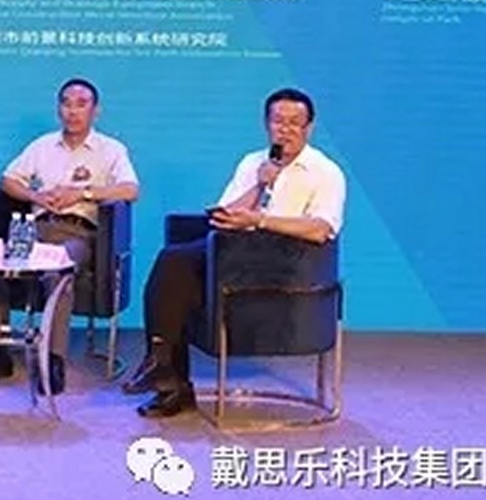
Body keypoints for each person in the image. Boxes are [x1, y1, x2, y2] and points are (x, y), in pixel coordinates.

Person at [124, 87, 345, 418]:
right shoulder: (253, 163)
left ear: (309, 128)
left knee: (176, 263)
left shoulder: (325, 172)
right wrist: (260, 185)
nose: (285, 129)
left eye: (294, 123)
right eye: (278, 121)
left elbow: (321, 229)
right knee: (176, 277)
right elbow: (223, 216)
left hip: (290, 261)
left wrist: (260, 220)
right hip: (236, 253)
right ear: (267, 124)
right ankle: (167, 374)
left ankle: (165, 372)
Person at [0, 77, 139, 393]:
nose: (73, 111)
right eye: (66, 104)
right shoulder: (42, 146)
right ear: (59, 109)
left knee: (59, 269)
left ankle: (52, 359)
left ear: (96, 111)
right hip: (36, 229)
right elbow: (8, 180)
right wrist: (37, 196)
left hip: (78, 233)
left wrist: (82, 193)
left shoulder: (111, 149)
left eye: (81, 104)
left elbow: (130, 189)